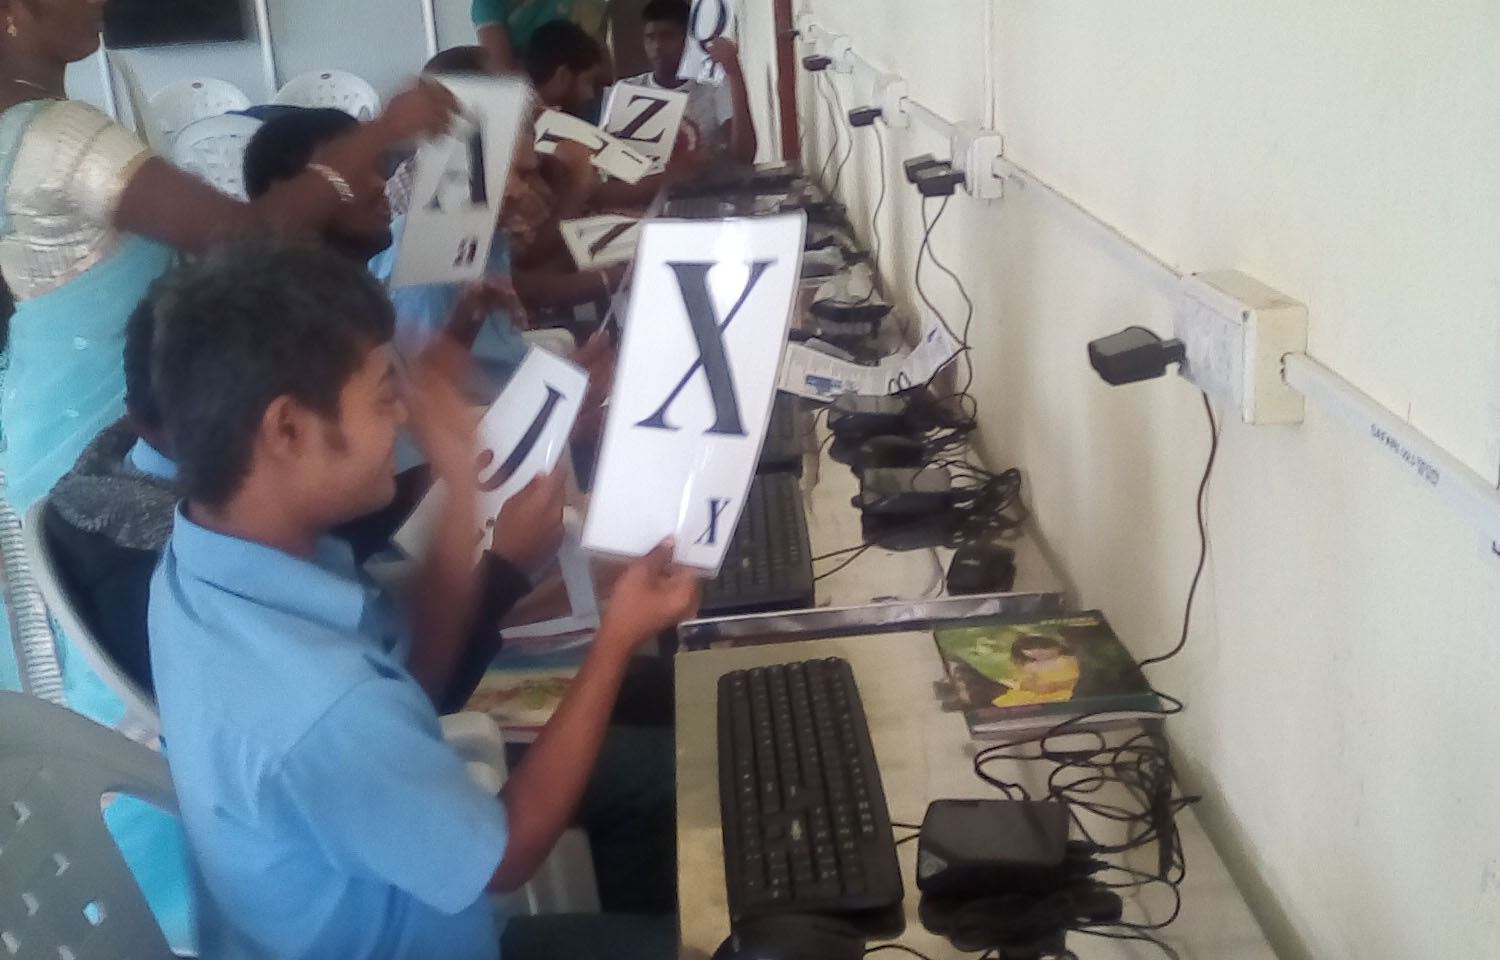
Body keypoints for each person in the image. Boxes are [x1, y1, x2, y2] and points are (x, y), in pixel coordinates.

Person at [148, 236, 694, 960]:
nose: (404, 417)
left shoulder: (201, 561)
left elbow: (416, 683)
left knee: (671, 787)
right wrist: (619, 634)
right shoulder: (320, 707)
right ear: (288, 429)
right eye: (384, 396)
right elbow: (505, 857)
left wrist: (463, 484)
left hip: (386, 883)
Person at [0, 0, 456, 698]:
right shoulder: (55, 134)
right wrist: (380, 133)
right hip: (96, 403)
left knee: (108, 635)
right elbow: (239, 237)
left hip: (47, 399)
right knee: (166, 623)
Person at [624, 0, 756, 165]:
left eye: (667, 36)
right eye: (650, 38)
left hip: (708, 182)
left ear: (687, 39)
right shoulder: (628, 91)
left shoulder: (713, 86)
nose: (657, 46)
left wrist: (734, 72)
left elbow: (744, 156)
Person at [474, 0, 609, 75]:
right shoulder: (488, 4)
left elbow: (600, 70)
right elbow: (503, 73)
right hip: (527, 95)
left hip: (576, 87)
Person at [991, 634, 1081, 707]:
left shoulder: (1069, 660)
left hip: (1063, 694)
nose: (1037, 652)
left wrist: (1054, 686)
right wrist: (1035, 686)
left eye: (1042, 648)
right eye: (1028, 650)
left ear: (1056, 647)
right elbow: (1025, 684)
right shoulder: (1030, 666)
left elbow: (1075, 678)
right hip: (1036, 695)